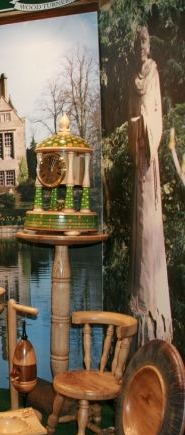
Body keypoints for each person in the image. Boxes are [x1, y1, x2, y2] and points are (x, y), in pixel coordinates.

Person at [127, 25, 172, 344]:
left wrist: (147, 130)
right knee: (139, 225)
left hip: (149, 156)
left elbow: (156, 114)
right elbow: (133, 112)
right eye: (137, 42)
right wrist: (136, 128)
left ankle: (154, 318)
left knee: (150, 226)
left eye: (144, 41)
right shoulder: (133, 78)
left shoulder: (153, 73)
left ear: (150, 45)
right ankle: (139, 307)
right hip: (138, 152)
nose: (140, 47)